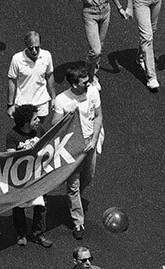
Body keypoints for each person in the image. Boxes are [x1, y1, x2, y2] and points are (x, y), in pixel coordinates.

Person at [51, 64, 102, 240]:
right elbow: (54, 127)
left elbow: (98, 116)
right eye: (84, 82)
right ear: (74, 84)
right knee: (73, 186)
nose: (88, 84)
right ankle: (78, 222)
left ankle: (73, 200)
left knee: (88, 176)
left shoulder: (93, 92)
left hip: (89, 143)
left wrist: (94, 140)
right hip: (71, 147)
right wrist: (67, 116)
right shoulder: (61, 100)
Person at [6, 104, 53, 248]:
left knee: (41, 205)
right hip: (21, 177)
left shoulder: (39, 130)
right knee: (19, 206)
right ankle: (21, 233)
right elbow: (10, 157)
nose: (38, 121)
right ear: (26, 122)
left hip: (38, 175)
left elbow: (48, 145)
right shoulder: (13, 136)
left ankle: (38, 234)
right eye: (35, 119)